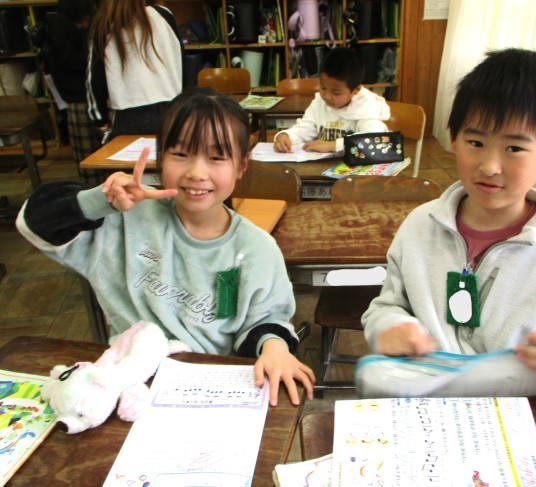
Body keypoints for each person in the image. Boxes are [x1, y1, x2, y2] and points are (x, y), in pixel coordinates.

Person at [16, 88, 315, 406]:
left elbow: (267, 318)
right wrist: (100, 200)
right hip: (127, 386)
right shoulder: (124, 220)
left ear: (241, 166)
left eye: (216, 158)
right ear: (160, 158)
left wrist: (274, 347)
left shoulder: (257, 249)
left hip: (213, 390)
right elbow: (34, 223)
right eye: (180, 154)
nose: (196, 173)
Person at [361, 48, 536, 399]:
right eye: (476, 142)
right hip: (425, 404)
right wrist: (389, 325)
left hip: (519, 415)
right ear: (454, 138)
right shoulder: (419, 226)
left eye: (514, 148)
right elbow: (386, 306)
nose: (489, 166)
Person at [86, 0, 183, 143]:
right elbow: (182, 64)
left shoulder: (104, 24)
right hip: (172, 112)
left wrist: (99, 119)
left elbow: (95, 80)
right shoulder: (164, 15)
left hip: (127, 118)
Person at [273, 47, 390, 153]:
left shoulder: (367, 107)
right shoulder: (319, 103)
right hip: (322, 165)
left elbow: (372, 139)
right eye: (323, 87)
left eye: (336, 93)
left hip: (353, 168)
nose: (327, 96)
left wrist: (332, 146)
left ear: (356, 90)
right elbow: (305, 128)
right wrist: (285, 136)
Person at [47, 0, 101, 166]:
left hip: (77, 103)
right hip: (85, 101)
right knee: (96, 160)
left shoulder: (58, 29)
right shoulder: (73, 35)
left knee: (88, 160)